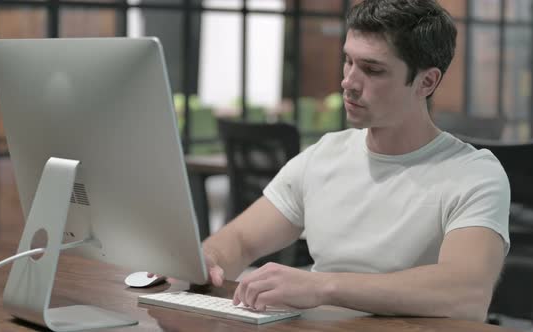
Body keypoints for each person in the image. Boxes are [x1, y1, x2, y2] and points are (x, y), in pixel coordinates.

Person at [201, 0, 510, 322]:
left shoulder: (473, 174)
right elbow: (241, 240)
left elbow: (466, 293)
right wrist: (210, 259)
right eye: (348, 62)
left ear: (427, 82)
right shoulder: (325, 155)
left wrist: (324, 286)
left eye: (372, 69)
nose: (348, 81)